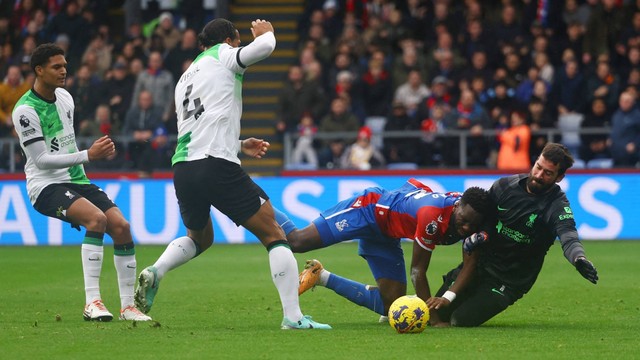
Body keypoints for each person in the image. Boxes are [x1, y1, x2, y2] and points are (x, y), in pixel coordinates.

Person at [134, 18, 331, 330]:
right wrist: (267, 33)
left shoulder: (185, 77)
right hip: (216, 164)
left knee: (200, 237)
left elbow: (199, 125)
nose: (239, 47)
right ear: (229, 39)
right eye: (238, 41)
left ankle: (157, 271)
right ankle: (293, 318)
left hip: (184, 167)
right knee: (275, 234)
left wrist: (238, 144)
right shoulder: (223, 55)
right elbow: (265, 48)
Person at [11, 43, 151, 322]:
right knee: (96, 219)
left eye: (64, 65)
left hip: (77, 179)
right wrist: (89, 155)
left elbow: (65, 142)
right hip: (45, 186)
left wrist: (87, 158)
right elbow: (40, 160)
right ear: (39, 70)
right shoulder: (25, 110)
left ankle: (127, 308)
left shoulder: (65, 97)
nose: (64, 71)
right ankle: (92, 302)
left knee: (122, 228)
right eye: (56, 66)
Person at [427, 143, 599, 327]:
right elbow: (482, 221)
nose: (539, 175)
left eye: (548, 173)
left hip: (509, 280)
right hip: (479, 265)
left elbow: (569, 236)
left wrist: (578, 258)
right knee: (435, 313)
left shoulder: (557, 206)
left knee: (459, 320)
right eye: (538, 167)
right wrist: (482, 235)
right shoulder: (504, 186)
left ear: (560, 177)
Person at [274, 178, 490, 318]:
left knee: (392, 305)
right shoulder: (432, 217)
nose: (466, 228)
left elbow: (470, 261)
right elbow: (417, 271)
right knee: (298, 241)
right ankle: (256, 202)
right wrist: (431, 318)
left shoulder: (471, 216)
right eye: (463, 221)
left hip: (386, 233)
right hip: (368, 210)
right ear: (457, 206)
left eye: (472, 224)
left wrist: (448, 297)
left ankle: (320, 276)